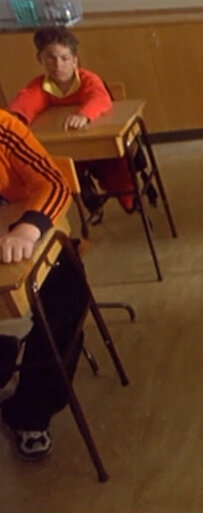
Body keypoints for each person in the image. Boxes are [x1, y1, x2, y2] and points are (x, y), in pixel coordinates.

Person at [0, 108, 80, 461]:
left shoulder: (3, 127)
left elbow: (54, 182)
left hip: (25, 238)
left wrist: (27, 228)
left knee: (66, 296)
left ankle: (29, 412)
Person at [7, 27, 138, 218]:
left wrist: (83, 115)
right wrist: (14, 119)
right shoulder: (41, 85)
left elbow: (99, 98)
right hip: (69, 147)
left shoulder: (87, 79)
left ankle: (127, 195)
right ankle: (83, 191)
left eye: (64, 58)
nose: (57, 65)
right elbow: (27, 100)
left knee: (115, 166)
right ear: (40, 59)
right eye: (50, 58)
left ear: (74, 60)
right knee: (58, 166)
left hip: (99, 143)